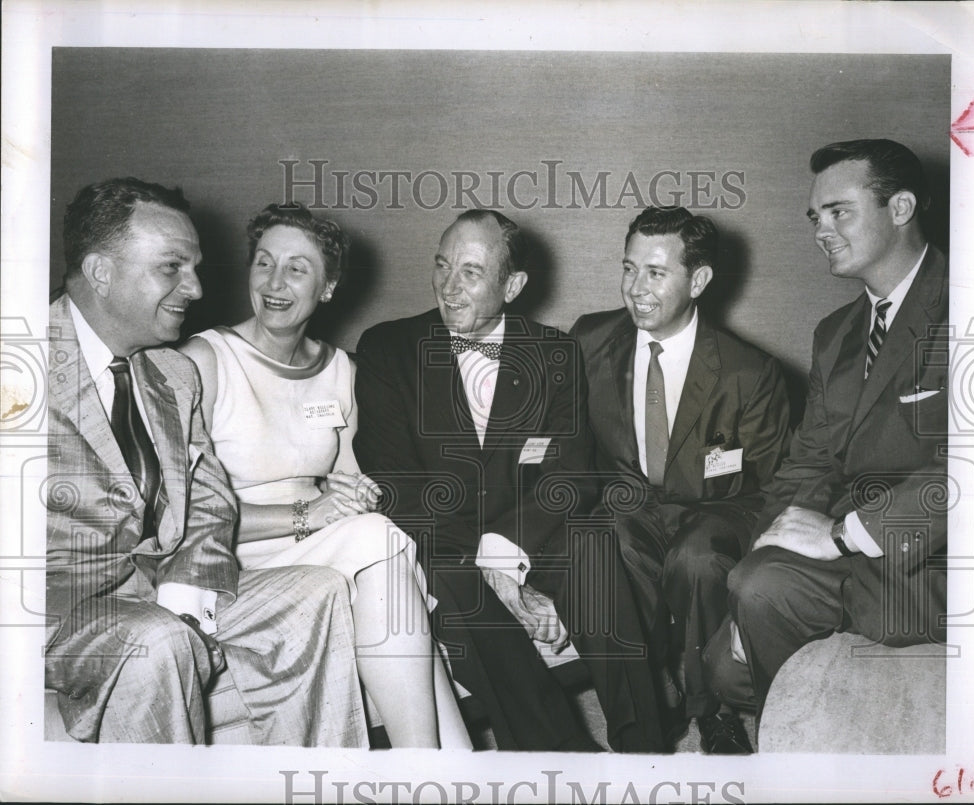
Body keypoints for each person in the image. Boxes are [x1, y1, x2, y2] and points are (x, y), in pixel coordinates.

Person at [45, 178, 366, 745]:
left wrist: (187, 593)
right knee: (159, 642)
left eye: (195, 267)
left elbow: (210, 502)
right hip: (52, 613)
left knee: (316, 593)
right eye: (172, 268)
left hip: (154, 592)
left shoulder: (171, 374)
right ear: (100, 271)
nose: (194, 287)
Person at [353, 209, 667, 753]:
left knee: (591, 548)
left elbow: (569, 476)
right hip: (438, 543)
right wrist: (488, 569)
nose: (449, 288)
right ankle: (564, 756)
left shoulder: (554, 351)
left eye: (471, 273)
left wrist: (503, 554)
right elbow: (393, 481)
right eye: (442, 266)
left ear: (513, 285)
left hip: (527, 533)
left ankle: (647, 749)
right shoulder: (388, 348)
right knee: (458, 588)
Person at [180, 202, 471, 749]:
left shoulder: (342, 370)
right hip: (231, 557)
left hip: (315, 545)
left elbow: (351, 483)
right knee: (378, 541)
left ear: (328, 287)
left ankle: (439, 768)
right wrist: (309, 513)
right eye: (264, 263)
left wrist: (359, 492)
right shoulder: (205, 360)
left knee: (380, 543)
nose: (275, 282)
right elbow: (180, 518)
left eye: (297, 268)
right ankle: (437, 765)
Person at [721, 138, 949, 725]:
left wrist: (846, 535)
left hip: (942, 558)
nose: (821, 229)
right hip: (853, 550)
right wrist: (761, 558)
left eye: (839, 211)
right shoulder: (837, 333)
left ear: (900, 209)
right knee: (734, 634)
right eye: (814, 216)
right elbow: (810, 461)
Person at [569, 206, 791, 754]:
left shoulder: (751, 372)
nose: (634, 289)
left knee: (697, 559)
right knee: (604, 543)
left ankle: (712, 708)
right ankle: (645, 714)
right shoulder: (589, 340)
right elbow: (566, 444)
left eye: (655, 272)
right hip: (629, 503)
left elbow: (775, 483)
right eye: (628, 269)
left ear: (699, 280)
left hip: (720, 508)